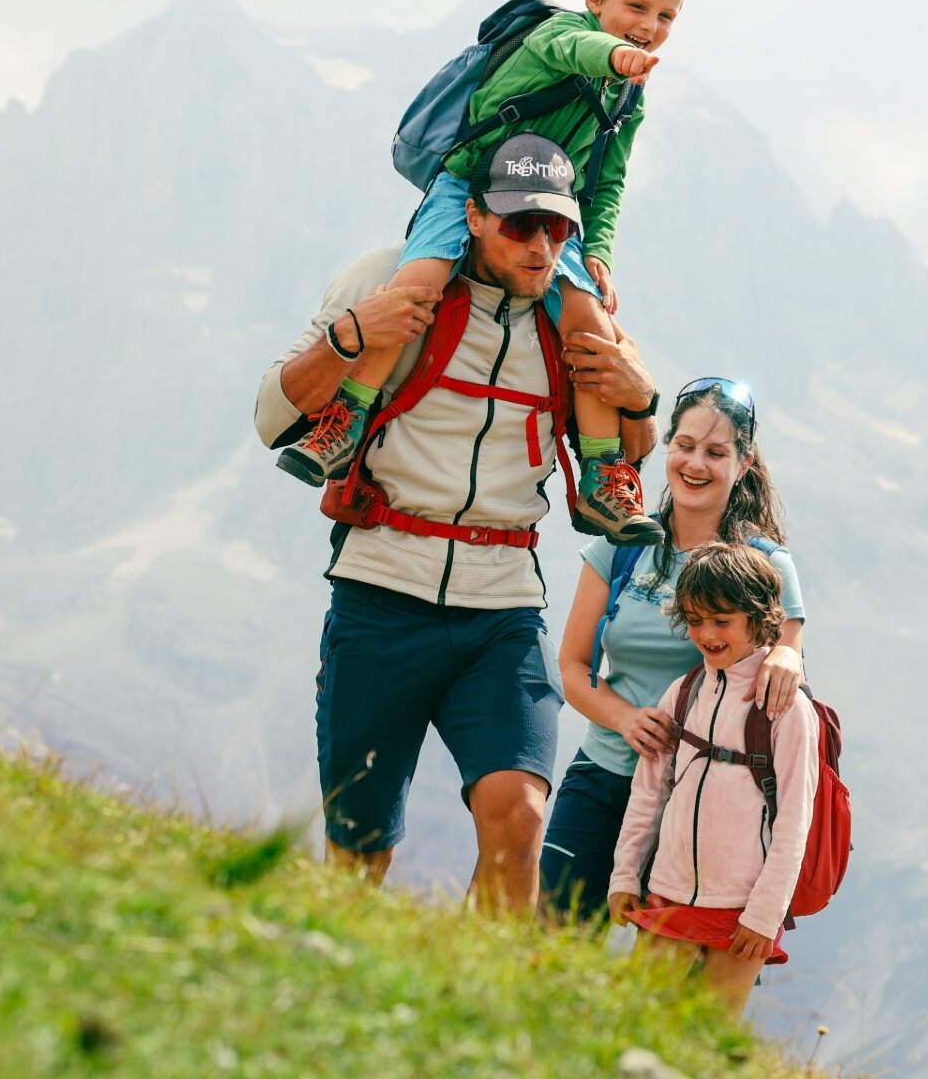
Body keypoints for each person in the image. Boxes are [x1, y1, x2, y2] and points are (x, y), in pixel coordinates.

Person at [252, 134, 664, 914]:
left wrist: (643, 398)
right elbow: (274, 417)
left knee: (521, 813)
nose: (541, 247)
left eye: (558, 228)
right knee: (360, 849)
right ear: (472, 215)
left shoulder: (575, 314)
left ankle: (485, 985)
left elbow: (623, 468)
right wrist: (350, 336)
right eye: (520, 224)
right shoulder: (389, 275)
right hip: (379, 593)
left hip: (501, 607)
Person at [276, 0, 689, 548]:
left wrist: (598, 251)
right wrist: (618, 57)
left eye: (666, 17)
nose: (650, 27)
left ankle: (602, 474)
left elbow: (607, 179)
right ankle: (346, 417)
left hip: (551, 205)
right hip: (469, 182)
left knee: (591, 325)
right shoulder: (557, 34)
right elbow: (581, 49)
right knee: (416, 287)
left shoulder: (630, 92)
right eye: (637, 8)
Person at [538, 379, 806, 921]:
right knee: (554, 940)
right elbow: (572, 667)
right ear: (668, 447)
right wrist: (626, 719)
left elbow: (786, 660)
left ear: (744, 463)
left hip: (701, 797)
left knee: (666, 963)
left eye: (716, 452)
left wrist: (787, 656)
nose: (696, 464)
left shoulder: (768, 564)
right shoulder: (619, 546)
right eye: (685, 445)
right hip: (603, 773)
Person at [607, 541, 822, 1018]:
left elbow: (794, 821)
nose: (706, 634)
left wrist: (764, 915)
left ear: (759, 617)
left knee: (708, 1035)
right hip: (667, 892)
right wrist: (625, 874)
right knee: (637, 1022)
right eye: (695, 620)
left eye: (722, 621)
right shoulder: (683, 693)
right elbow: (647, 794)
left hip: (742, 908)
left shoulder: (789, 709)